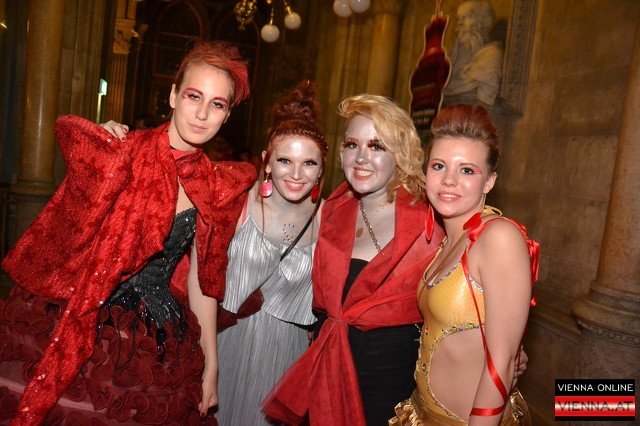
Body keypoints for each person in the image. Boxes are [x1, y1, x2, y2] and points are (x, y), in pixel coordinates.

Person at [0, 41, 255, 425]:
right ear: (173, 96)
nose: (202, 114)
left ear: (227, 115)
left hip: (153, 338)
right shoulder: (123, 151)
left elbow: (203, 281)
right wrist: (100, 161)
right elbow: (68, 233)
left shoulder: (216, 187)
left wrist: (212, 365)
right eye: (194, 96)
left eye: (217, 104)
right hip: (82, 310)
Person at [262, 94, 446, 426]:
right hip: (324, 371)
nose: (361, 157)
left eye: (376, 146)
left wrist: (502, 344)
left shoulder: (430, 222)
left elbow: (462, 294)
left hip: (391, 383)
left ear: (399, 153)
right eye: (351, 144)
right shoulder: (331, 211)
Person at [389, 104, 538, 425]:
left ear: (489, 181)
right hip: (420, 414)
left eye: (467, 170)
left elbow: (502, 361)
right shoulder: (447, 241)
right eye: (438, 166)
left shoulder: (498, 237)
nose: (449, 180)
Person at [215, 80, 327, 425]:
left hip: (286, 355)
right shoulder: (236, 201)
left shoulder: (329, 217)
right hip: (225, 342)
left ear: (322, 169)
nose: (296, 174)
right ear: (266, 161)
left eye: (309, 163)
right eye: (284, 160)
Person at [443, 0, 503, 106]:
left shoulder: (491, 55)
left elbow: (484, 103)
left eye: (467, 17)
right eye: (459, 18)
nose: (460, 23)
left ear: (486, 21)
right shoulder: (455, 55)